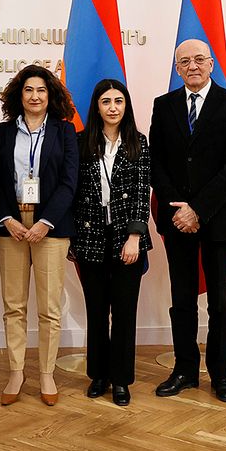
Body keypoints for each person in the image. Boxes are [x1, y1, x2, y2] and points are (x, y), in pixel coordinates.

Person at [151, 38, 226, 403]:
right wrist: (180, 211)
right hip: (177, 221)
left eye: (198, 60)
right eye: (184, 61)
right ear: (177, 68)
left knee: (221, 300)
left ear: (211, 64)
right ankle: (185, 369)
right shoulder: (164, 106)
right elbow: (156, 162)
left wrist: (198, 208)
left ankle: (221, 375)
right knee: (182, 298)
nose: (192, 66)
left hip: (219, 218)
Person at [0, 66, 78, 406]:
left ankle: (46, 374)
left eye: (41, 90)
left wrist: (46, 222)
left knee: (49, 308)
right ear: (19, 95)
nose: (35, 96)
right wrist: (8, 219)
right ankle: (16, 372)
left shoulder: (65, 131)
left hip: (50, 227)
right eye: (28, 90)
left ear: (50, 95)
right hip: (12, 224)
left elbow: (70, 182)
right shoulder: (5, 131)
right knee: (13, 305)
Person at [71, 79, 152, 407]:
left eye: (119, 101)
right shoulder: (80, 143)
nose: (113, 107)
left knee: (123, 312)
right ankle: (98, 376)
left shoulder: (138, 143)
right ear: (97, 107)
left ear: (126, 105)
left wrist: (135, 236)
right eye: (106, 101)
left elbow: (141, 193)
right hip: (89, 237)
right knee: (96, 310)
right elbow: (73, 193)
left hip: (126, 240)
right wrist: (71, 238)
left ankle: (121, 379)